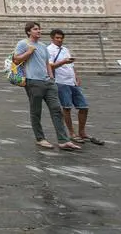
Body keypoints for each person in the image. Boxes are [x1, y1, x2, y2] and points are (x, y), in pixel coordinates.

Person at [13, 21, 81, 151]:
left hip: (48, 82)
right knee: (36, 111)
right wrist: (29, 52)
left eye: (39, 29)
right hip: (33, 81)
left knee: (56, 110)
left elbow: (47, 63)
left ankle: (63, 140)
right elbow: (16, 59)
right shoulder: (23, 43)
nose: (38, 31)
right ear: (28, 32)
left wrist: (51, 78)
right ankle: (40, 138)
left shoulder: (43, 46)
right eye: (35, 29)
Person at [47, 29, 105, 146]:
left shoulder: (65, 49)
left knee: (84, 107)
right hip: (61, 82)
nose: (60, 40)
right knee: (67, 107)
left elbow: (72, 65)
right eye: (57, 38)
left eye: (61, 38)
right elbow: (49, 65)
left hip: (72, 81)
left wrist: (76, 76)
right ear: (52, 38)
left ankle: (82, 132)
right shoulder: (49, 50)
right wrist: (63, 62)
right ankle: (72, 133)